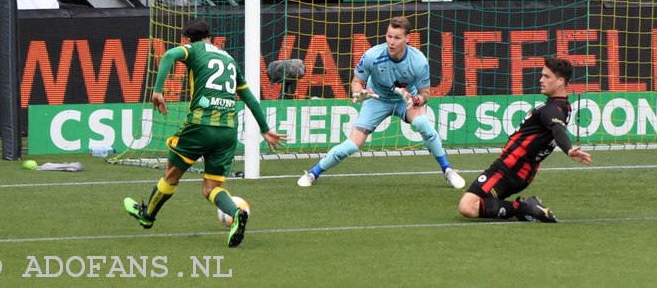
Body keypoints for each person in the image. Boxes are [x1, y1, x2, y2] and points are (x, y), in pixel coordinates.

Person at [123, 17, 285, 248]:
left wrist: (157, 91)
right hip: (228, 130)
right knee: (211, 188)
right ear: (210, 36)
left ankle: (147, 216)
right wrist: (265, 129)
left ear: (187, 39)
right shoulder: (229, 59)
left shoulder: (194, 49)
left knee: (171, 174)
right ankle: (237, 213)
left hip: (201, 125)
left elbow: (169, 55)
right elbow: (248, 95)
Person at [297, 15, 467, 189]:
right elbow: (356, 81)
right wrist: (359, 93)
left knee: (424, 124)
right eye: (389, 36)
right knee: (352, 146)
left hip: (405, 100)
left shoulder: (419, 61)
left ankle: (448, 170)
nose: (391, 42)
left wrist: (417, 100)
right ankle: (312, 173)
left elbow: (426, 93)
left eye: (397, 38)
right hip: (377, 99)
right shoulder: (372, 55)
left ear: (407, 38)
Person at [457, 55, 592, 222]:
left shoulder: (553, 110)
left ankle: (525, 207)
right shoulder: (561, 106)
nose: (541, 79)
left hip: (508, 170)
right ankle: (525, 208)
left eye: (546, 76)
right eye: (542, 75)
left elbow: (558, 130)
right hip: (518, 171)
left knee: (467, 206)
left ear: (560, 81)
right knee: (485, 203)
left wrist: (569, 149)